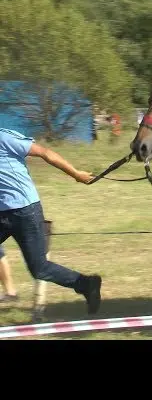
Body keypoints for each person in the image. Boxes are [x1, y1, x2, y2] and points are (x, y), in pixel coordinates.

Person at [0, 128, 102, 314]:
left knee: (39, 268)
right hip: (3, 212)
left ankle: (86, 284)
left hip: (24, 211)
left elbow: (45, 153)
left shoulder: (4, 138)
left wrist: (76, 174)